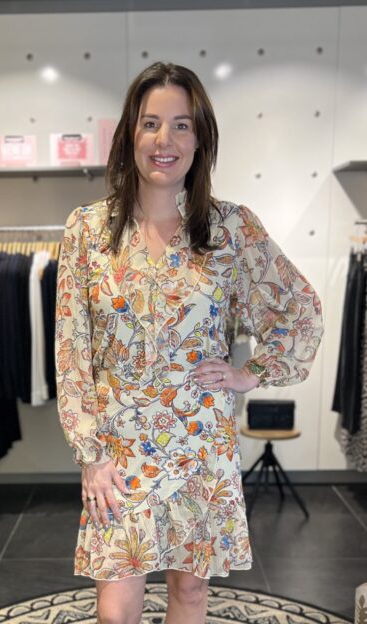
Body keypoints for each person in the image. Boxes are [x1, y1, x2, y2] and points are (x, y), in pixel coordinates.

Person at [55, 61, 323, 624]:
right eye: (151, 123)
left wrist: (250, 373)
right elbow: (71, 352)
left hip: (199, 441)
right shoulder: (87, 230)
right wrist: (90, 454)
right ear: (130, 133)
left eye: (182, 125)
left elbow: (299, 309)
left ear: (200, 139)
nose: (165, 140)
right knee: (114, 608)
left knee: (192, 592)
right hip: (118, 446)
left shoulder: (231, 229)